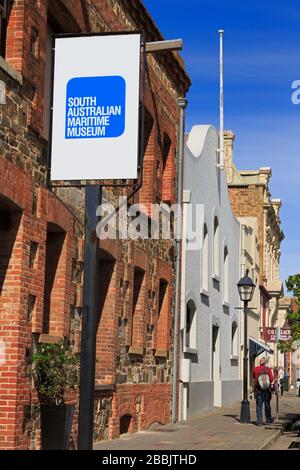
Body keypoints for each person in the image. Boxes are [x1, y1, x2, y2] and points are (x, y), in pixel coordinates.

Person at [253, 357, 274, 426]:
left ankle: (259, 421)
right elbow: (271, 379)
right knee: (267, 405)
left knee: (259, 406)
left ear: (259, 362)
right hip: (266, 391)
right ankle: (268, 419)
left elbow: (254, 378)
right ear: (265, 363)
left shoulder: (255, 369)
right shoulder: (268, 370)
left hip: (258, 390)